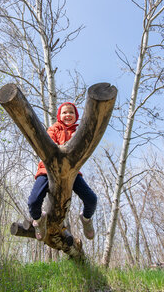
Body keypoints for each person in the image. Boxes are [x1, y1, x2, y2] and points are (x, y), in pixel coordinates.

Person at [27, 102, 97, 241]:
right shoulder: (54, 129)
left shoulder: (78, 132)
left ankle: (86, 219)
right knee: (33, 201)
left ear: (76, 116)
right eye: (64, 112)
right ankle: (39, 221)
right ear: (59, 116)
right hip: (47, 170)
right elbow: (47, 144)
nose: (68, 115)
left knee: (92, 199)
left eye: (71, 112)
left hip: (71, 171)